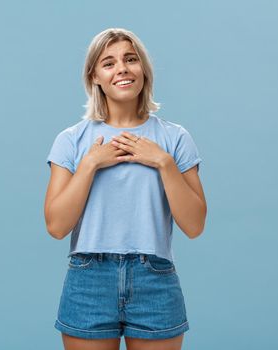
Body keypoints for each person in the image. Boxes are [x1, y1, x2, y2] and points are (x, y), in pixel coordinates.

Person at [44, 28, 207, 350]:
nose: (122, 68)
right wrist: (91, 164)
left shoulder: (174, 139)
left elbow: (195, 225)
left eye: (130, 59)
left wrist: (163, 162)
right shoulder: (71, 140)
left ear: (143, 69)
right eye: (109, 63)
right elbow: (57, 226)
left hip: (155, 278)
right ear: (95, 77)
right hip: (89, 278)